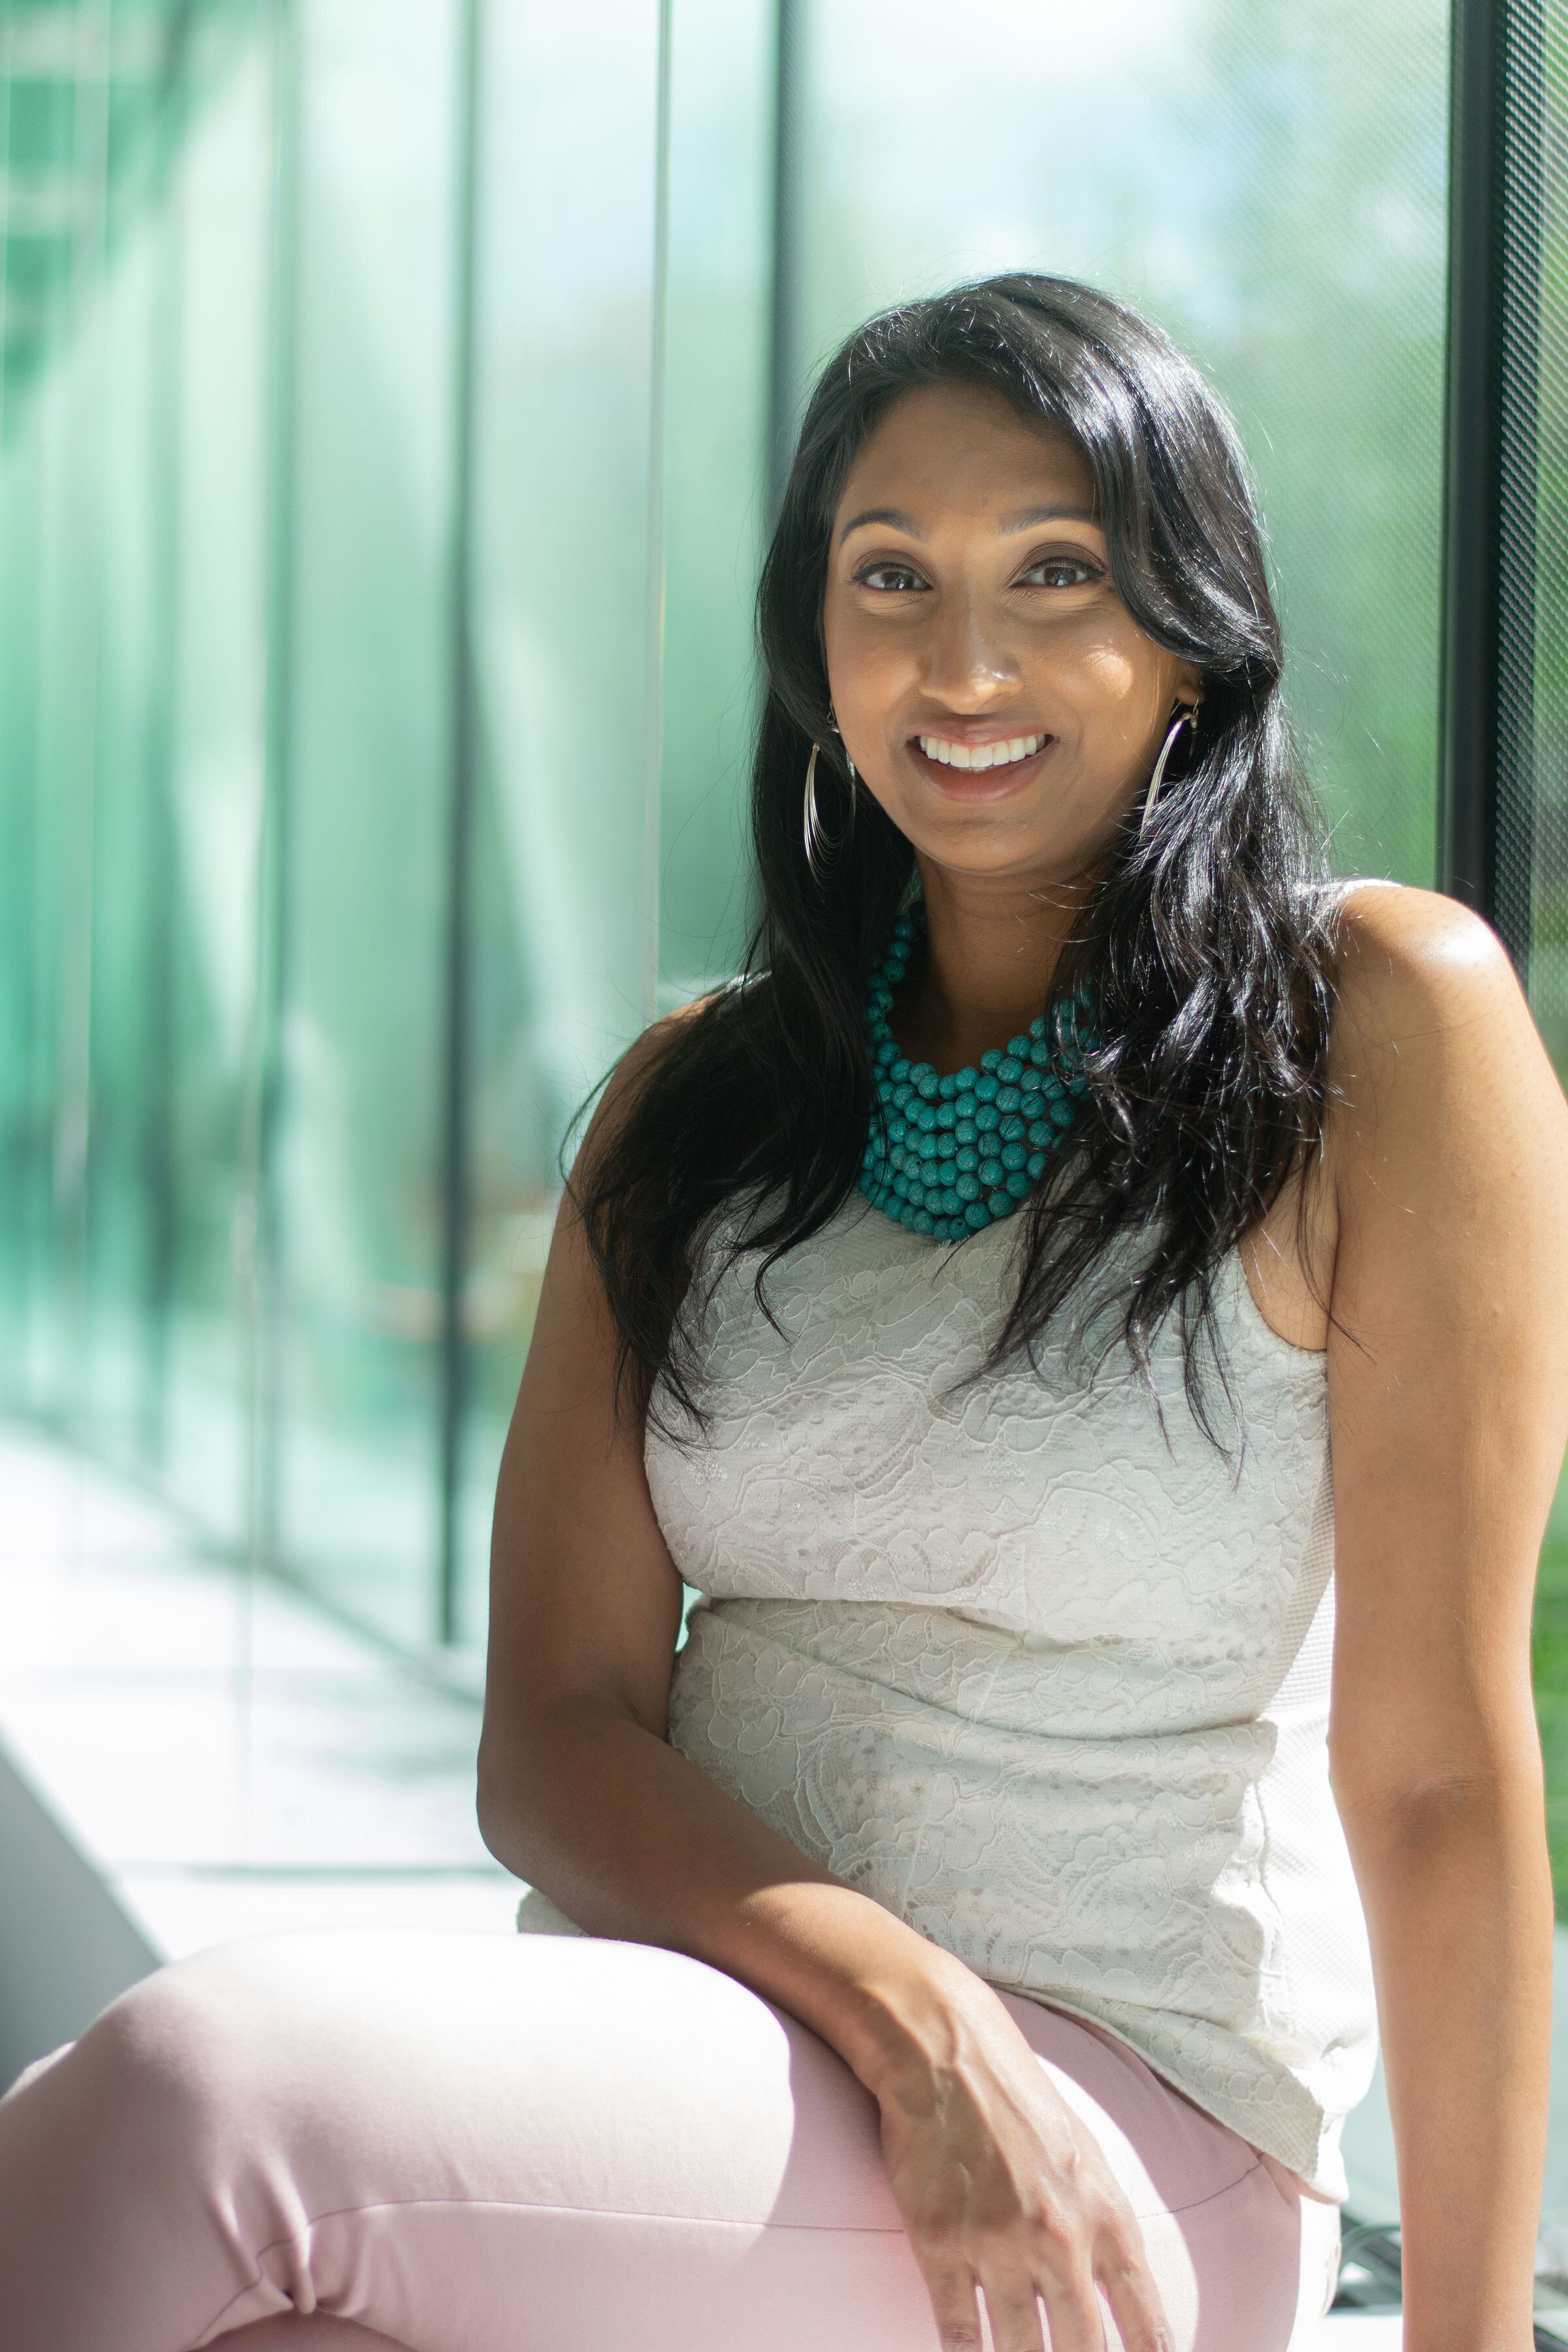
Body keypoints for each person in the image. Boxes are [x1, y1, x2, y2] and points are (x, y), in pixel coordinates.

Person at [0, 273, 1562, 2352]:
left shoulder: (1373, 1021)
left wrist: (1468, 2338)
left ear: (1190, 634)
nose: (966, 658)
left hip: (1118, 2128)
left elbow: (1442, 1772)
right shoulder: (693, 1108)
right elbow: (556, 1734)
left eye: (1058, 571)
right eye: (890, 575)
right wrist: (903, 2006)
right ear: (815, 649)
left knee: (196, 2100)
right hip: (719, 2055)